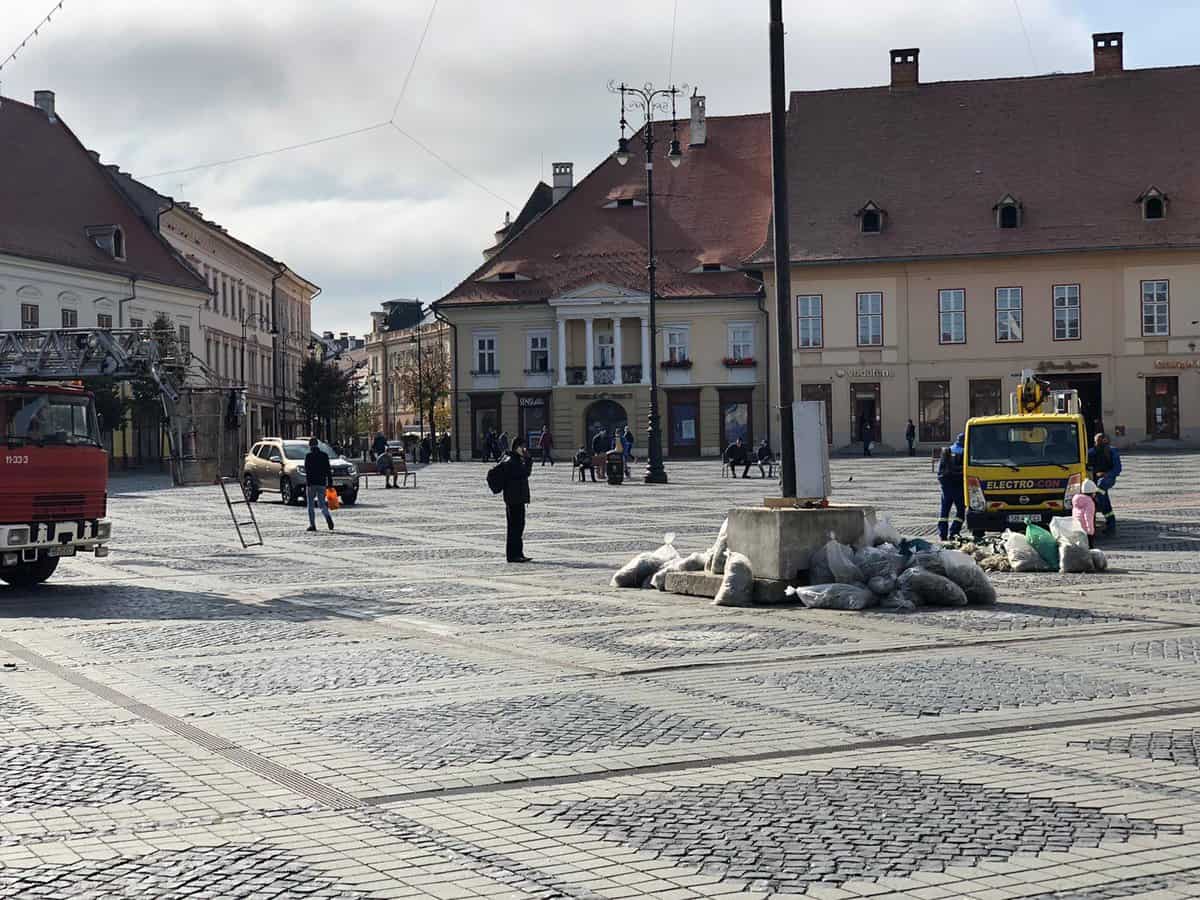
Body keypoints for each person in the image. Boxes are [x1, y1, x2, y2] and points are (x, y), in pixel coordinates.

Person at [501, 436, 534, 563]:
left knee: (519, 526)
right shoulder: (512, 461)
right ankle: (512, 555)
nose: (525, 449)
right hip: (513, 498)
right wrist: (528, 460)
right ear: (517, 447)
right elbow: (525, 473)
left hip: (517, 498)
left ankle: (518, 553)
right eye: (523, 447)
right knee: (514, 527)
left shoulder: (516, 459)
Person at [1087, 432, 1122, 535]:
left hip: (1107, 479)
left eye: (1099, 440)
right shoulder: (1092, 452)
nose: (1097, 442)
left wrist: (1105, 474)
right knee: (1103, 498)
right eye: (1096, 441)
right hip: (1096, 480)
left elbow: (1117, 469)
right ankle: (1110, 524)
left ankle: (1109, 523)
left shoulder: (1112, 451)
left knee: (1099, 492)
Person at [936, 432, 966, 541]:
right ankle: (954, 532)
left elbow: (940, 471)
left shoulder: (947, 450)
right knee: (961, 511)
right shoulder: (964, 451)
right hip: (959, 486)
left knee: (944, 512)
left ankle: (942, 534)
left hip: (946, 487)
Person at [304, 437, 335, 532]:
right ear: (317, 445)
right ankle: (327, 515)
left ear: (310, 445)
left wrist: (308, 483)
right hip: (322, 482)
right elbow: (328, 470)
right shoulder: (324, 455)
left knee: (310, 505)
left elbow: (307, 470)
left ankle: (312, 525)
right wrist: (330, 483)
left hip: (311, 483)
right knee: (322, 503)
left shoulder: (308, 456)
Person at [1073, 478, 1099, 549]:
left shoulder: (1076, 500)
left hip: (1077, 529)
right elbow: (1088, 517)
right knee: (1089, 549)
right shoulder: (1089, 502)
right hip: (1086, 531)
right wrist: (1090, 531)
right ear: (1092, 492)